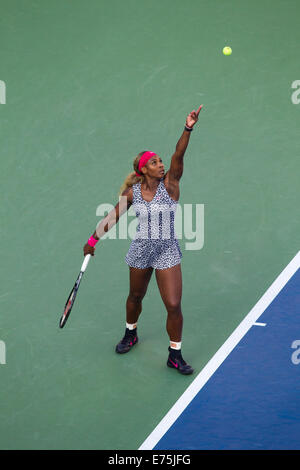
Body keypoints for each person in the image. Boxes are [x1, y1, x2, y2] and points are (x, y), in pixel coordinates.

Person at [83, 105, 203, 375]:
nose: (161, 164)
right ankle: (130, 333)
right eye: (154, 162)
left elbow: (179, 153)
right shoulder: (132, 193)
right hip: (140, 249)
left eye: (161, 161)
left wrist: (188, 127)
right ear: (143, 170)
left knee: (173, 304)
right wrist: (92, 241)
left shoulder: (171, 184)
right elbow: (112, 218)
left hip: (167, 251)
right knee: (135, 296)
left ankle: (174, 354)